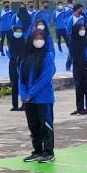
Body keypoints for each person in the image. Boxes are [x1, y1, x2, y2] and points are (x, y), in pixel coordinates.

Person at [19, 27, 56, 162]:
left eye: (41, 39)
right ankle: (37, 150)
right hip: (29, 99)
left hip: (43, 98)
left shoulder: (48, 56)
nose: (38, 41)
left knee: (45, 124)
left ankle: (48, 151)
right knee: (33, 125)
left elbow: (46, 77)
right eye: (36, 39)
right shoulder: (26, 57)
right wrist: (24, 94)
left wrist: (31, 93)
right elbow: (20, 78)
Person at [66, 17, 87, 116]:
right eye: (80, 29)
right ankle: (79, 107)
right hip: (77, 64)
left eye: (83, 29)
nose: (82, 31)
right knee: (78, 86)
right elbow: (71, 53)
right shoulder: (72, 42)